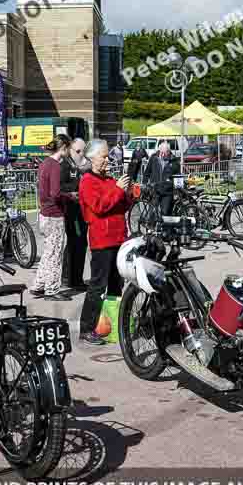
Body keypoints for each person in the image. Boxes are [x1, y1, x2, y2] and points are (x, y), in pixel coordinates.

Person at [78, 139, 132, 346]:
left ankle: (111, 326)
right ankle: (87, 328)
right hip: (102, 241)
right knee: (97, 286)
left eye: (108, 155)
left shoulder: (109, 180)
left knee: (116, 285)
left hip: (118, 238)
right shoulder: (87, 181)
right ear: (92, 158)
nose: (108, 159)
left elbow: (120, 205)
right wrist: (118, 190)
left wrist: (128, 195)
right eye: (104, 156)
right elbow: (100, 206)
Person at [31, 134, 72, 301]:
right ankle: (52, 289)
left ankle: (39, 284)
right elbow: (55, 193)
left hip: (44, 213)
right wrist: (70, 196)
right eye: (68, 148)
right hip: (54, 214)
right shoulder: (55, 165)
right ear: (64, 148)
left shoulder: (44, 163)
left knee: (48, 252)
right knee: (55, 253)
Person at [61, 138, 89, 291]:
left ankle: (75, 277)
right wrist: (78, 185)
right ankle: (70, 278)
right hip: (71, 211)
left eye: (83, 151)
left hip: (82, 211)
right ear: (71, 150)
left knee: (80, 243)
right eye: (78, 151)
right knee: (75, 243)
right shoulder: (65, 165)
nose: (81, 154)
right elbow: (60, 185)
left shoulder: (84, 165)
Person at [143, 142, 180, 216]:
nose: (162, 155)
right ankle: (151, 225)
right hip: (155, 189)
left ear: (169, 152)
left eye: (165, 153)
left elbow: (177, 176)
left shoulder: (174, 161)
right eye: (161, 152)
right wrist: (145, 183)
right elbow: (147, 172)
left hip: (167, 191)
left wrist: (177, 190)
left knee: (165, 213)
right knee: (152, 213)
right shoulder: (153, 158)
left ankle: (164, 227)